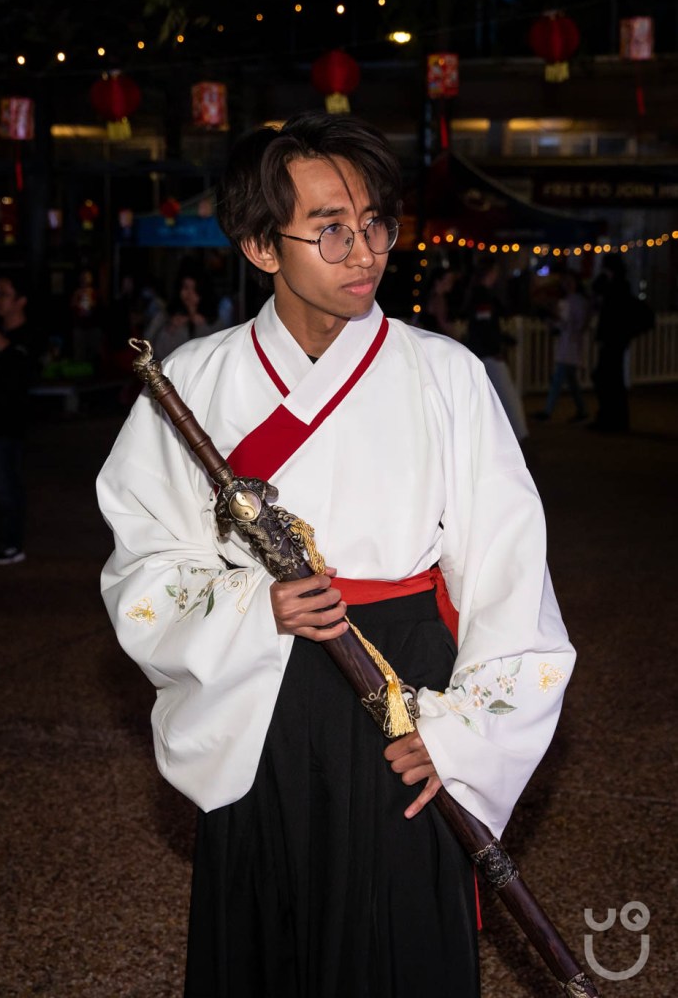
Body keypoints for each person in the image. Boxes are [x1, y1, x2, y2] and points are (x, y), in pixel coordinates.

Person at [96, 111, 576, 998]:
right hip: (260, 691)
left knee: (397, 928)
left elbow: (508, 567)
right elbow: (145, 557)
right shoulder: (195, 378)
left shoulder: (445, 374)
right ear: (260, 246)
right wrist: (251, 605)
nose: (362, 252)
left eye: (374, 224)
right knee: (269, 921)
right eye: (328, 230)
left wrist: (464, 733)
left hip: (404, 687)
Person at [462, 256, 529, 444]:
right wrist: (495, 349)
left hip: (482, 353)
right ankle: (519, 437)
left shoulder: (478, 295)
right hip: (488, 355)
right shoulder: (482, 297)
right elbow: (484, 328)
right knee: (508, 398)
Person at [0, 270, 37, 565]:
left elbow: (18, 368)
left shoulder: (28, 335)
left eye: (3, 294)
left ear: (21, 301)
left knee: (5, 485)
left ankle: (11, 544)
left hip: (8, 424)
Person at [534, 269, 592, 422]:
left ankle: (548, 411)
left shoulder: (573, 302)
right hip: (570, 343)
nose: (566, 285)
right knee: (571, 381)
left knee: (558, 379)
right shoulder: (574, 301)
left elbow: (568, 324)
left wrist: (553, 319)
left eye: (569, 281)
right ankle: (582, 409)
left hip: (570, 344)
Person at [589, 253, 636, 433]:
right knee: (609, 378)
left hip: (614, 338)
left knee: (608, 378)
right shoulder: (617, 285)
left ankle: (612, 419)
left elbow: (599, 291)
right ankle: (611, 417)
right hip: (614, 339)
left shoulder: (618, 286)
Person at [144, 264, 223, 362]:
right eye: (186, 288)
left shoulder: (213, 319)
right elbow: (148, 345)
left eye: (194, 289)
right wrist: (170, 329)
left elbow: (216, 352)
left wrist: (202, 326)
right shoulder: (166, 315)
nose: (189, 294)